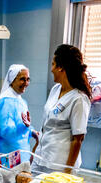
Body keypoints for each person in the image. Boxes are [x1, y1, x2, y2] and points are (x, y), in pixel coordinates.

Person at [32, 44, 92, 174]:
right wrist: (34, 152)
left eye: (53, 64)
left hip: (59, 165)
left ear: (61, 68)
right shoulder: (55, 90)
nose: (51, 69)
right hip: (41, 158)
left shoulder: (78, 99)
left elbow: (78, 139)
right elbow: (45, 126)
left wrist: (66, 173)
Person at [0, 64, 39, 161]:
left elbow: (21, 127)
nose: (26, 83)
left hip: (21, 154)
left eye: (28, 79)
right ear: (12, 80)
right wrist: (24, 127)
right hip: (7, 156)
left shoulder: (21, 101)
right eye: (22, 79)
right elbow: (6, 133)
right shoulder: (5, 102)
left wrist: (31, 131)